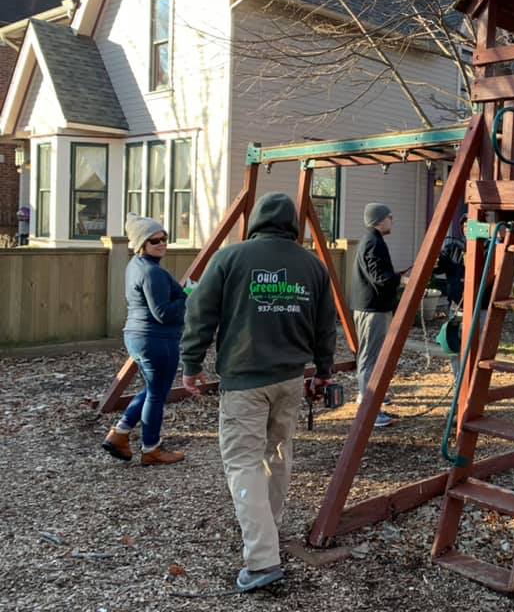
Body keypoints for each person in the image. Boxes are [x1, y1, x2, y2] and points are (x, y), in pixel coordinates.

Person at [179, 192, 337, 592]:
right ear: (292, 226)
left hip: (245, 381)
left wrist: (191, 365)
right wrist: (323, 371)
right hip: (289, 379)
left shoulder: (232, 258)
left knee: (244, 462)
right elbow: (325, 325)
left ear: (257, 222)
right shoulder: (312, 266)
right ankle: (267, 527)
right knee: (278, 454)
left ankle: (263, 560)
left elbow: (200, 312)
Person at [101, 214, 187, 465]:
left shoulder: (135, 265)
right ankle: (151, 448)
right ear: (141, 244)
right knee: (157, 395)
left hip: (138, 336)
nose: (162, 243)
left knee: (154, 389)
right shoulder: (152, 272)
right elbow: (162, 313)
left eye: (164, 238)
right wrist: (188, 296)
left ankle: (121, 433)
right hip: (157, 339)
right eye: (154, 240)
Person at [351, 202, 406, 427]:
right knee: (370, 358)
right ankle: (370, 411)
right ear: (380, 219)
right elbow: (380, 278)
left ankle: (368, 397)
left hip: (371, 307)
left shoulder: (372, 240)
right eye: (390, 217)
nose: (393, 220)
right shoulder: (374, 243)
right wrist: (402, 280)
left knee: (371, 356)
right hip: (372, 309)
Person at [437, 215, 467, 311]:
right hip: (455, 301)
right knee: (454, 325)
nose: (467, 229)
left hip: (479, 304)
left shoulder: (486, 246)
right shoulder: (453, 247)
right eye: (464, 226)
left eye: (470, 225)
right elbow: (440, 268)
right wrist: (436, 263)